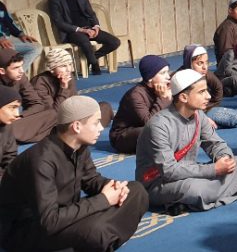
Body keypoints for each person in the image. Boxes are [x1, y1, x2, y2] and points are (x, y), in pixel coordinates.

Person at [0, 96, 148, 252]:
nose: (100, 128)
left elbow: (91, 180)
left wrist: (115, 188)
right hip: (26, 229)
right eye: (96, 123)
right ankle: (102, 237)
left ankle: (102, 238)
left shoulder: (79, 146)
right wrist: (104, 200)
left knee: (136, 191)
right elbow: (49, 221)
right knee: (95, 232)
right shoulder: (41, 161)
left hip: (66, 214)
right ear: (76, 126)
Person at [136, 70, 237, 215]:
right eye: (201, 92)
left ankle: (193, 201)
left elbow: (215, 143)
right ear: (183, 97)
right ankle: (215, 194)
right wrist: (214, 170)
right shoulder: (159, 125)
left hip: (191, 173)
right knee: (196, 190)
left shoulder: (198, 115)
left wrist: (225, 158)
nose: (208, 96)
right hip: (159, 182)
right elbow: (169, 171)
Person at [14, 48, 112, 143]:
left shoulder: (68, 76)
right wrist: (63, 88)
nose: (68, 69)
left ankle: (86, 129)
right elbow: (54, 113)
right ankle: (88, 129)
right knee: (64, 122)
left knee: (103, 107)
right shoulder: (40, 82)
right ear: (52, 68)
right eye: (63, 66)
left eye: (70, 64)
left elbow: (75, 102)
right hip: (51, 124)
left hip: (69, 117)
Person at [47, 0, 120, 75]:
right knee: (85, 42)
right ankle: (95, 65)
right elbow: (59, 22)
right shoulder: (55, 0)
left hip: (89, 28)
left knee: (115, 42)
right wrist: (81, 30)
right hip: (72, 32)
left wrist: (96, 27)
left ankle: (93, 58)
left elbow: (91, 12)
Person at [110, 55, 172, 153]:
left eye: (167, 72)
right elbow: (150, 122)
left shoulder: (163, 89)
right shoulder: (135, 95)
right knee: (154, 130)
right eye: (163, 73)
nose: (168, 77)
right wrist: (163, 98)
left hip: (145, 129)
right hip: (123, 136)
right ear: (150, 77)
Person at [181, 44, 237, 129]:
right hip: (187, 115)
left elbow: (218, 87)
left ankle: (202, 125)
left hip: (205, 111)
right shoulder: (179, 79)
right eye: (200, 63)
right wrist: (200, 118)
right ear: (189, 63)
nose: (205, 67)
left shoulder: (206, 74)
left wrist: (211, 105)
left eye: (206, 62)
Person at [0, 0, 41, 71]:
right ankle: (9, 76)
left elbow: (9, 23)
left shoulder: (1, 5)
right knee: (10, 51)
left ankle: (18, 74)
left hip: (7, 39)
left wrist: (21, 34)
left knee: (36, 47)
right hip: (2, 40)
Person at [0, 84, 20, 181]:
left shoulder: (6, 127)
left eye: (18, 108)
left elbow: (10, 156)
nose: (17, 114)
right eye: (12, 107)